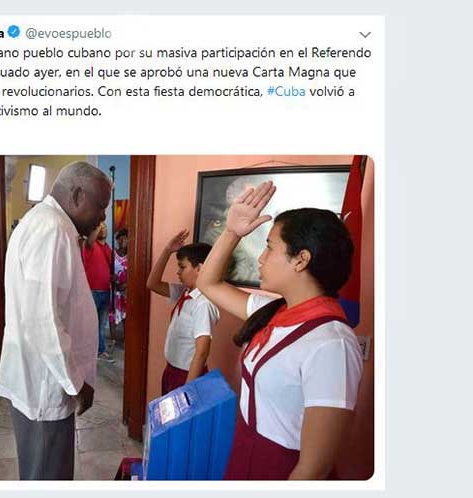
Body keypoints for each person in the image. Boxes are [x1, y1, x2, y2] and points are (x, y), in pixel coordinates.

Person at [196, 181, 363, 480]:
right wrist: (232, 231)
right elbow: (207, 283)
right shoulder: (275, 310)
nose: (261, 257)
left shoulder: (331, 344)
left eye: (270, 247)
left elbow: (313, 468)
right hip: (245, 454)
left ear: (301, 259)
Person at [0, 161, 112, 480]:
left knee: (42, 470)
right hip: (45, 386)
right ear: (76, 195)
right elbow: (42, 322)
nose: (103, 217)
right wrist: (76, 382)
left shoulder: (49, 224)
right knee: (47, 474)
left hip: (43, 379)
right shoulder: (52, 230)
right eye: (100, 206)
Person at [146, 231, 220, 395]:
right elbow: (152, 283)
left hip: (187, 376)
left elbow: (201, 352)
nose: (178, 272)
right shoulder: (184, 293)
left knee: (182, 417)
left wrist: (187, 390)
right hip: (172, 370)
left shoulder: (203, 303)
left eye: (182, 267)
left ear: (199, 268)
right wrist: (167, 250)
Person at [81, 221, 114, 362]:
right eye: (100, 226)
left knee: (101, 324)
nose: (103, 228)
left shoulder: (107, 248)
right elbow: (88, 242)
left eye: (105, 226)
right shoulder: (89, 246)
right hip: (93, 291)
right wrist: (96, 228)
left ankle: (98, 349)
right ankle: (98, 350)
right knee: (93, 324)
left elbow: (110, 266)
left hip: (106, 291)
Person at [109, 228, 129, 332]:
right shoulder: (113, 254)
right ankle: (113, 339)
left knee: (126, 314)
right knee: (112, 314)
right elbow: (108, 269)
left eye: (125, 239)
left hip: (126, 290)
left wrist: (126, 284)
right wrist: (113, 279)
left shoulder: (132, 255)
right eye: (120, 239)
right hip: (114, 289)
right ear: (117, 240)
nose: (122, 241)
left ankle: (127, 340)